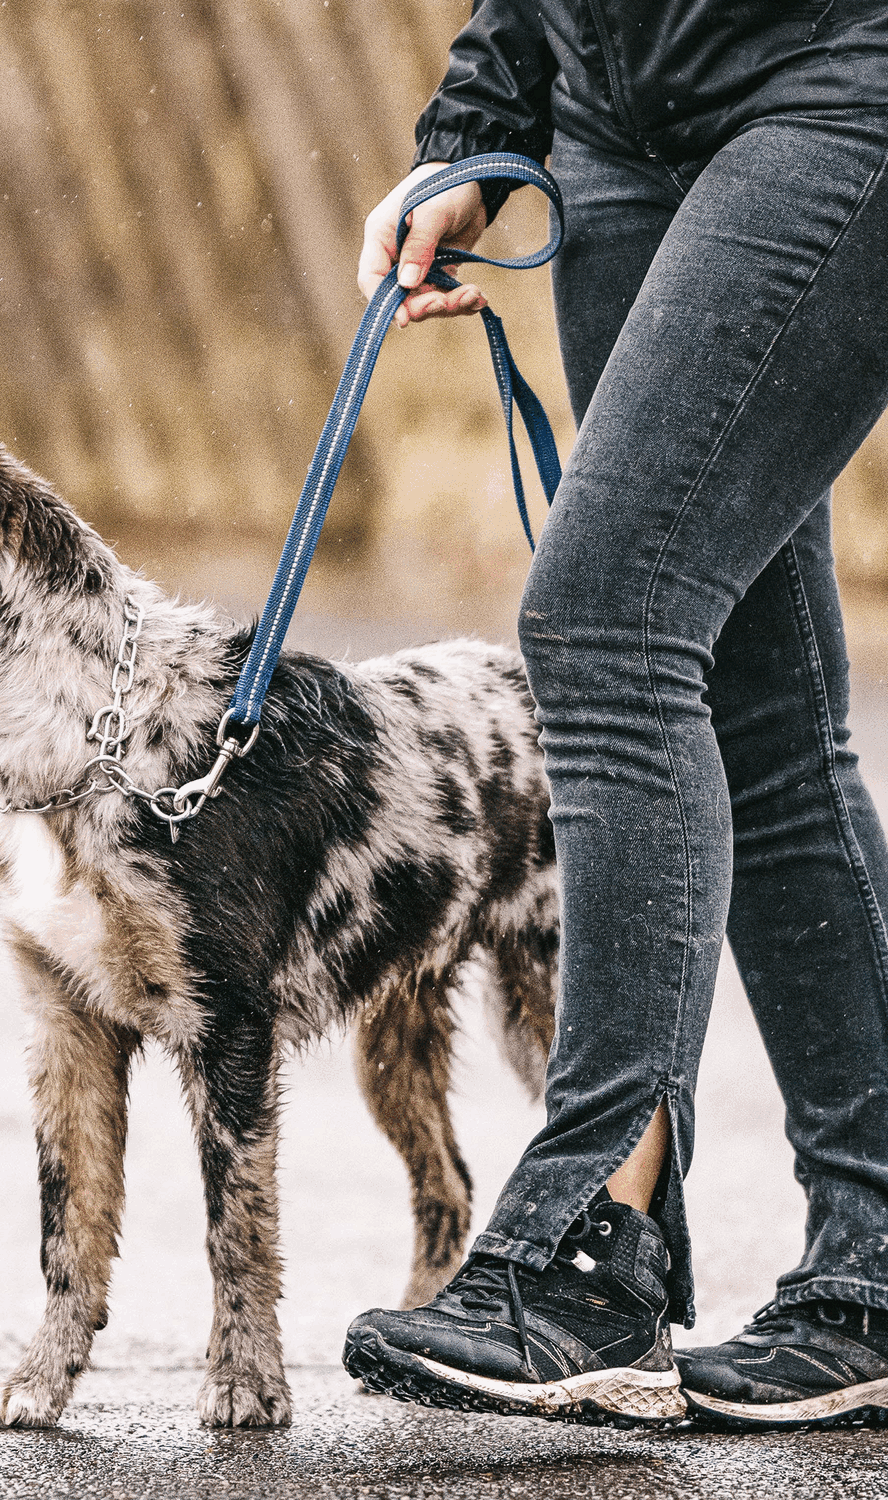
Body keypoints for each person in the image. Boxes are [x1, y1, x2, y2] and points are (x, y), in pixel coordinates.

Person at [342, 0, 888, 1430]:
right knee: (757, 698)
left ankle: (590, 1248)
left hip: (835, 77)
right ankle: (880, 1260)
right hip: (616, 115)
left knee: (610, 619)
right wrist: (476, 131)